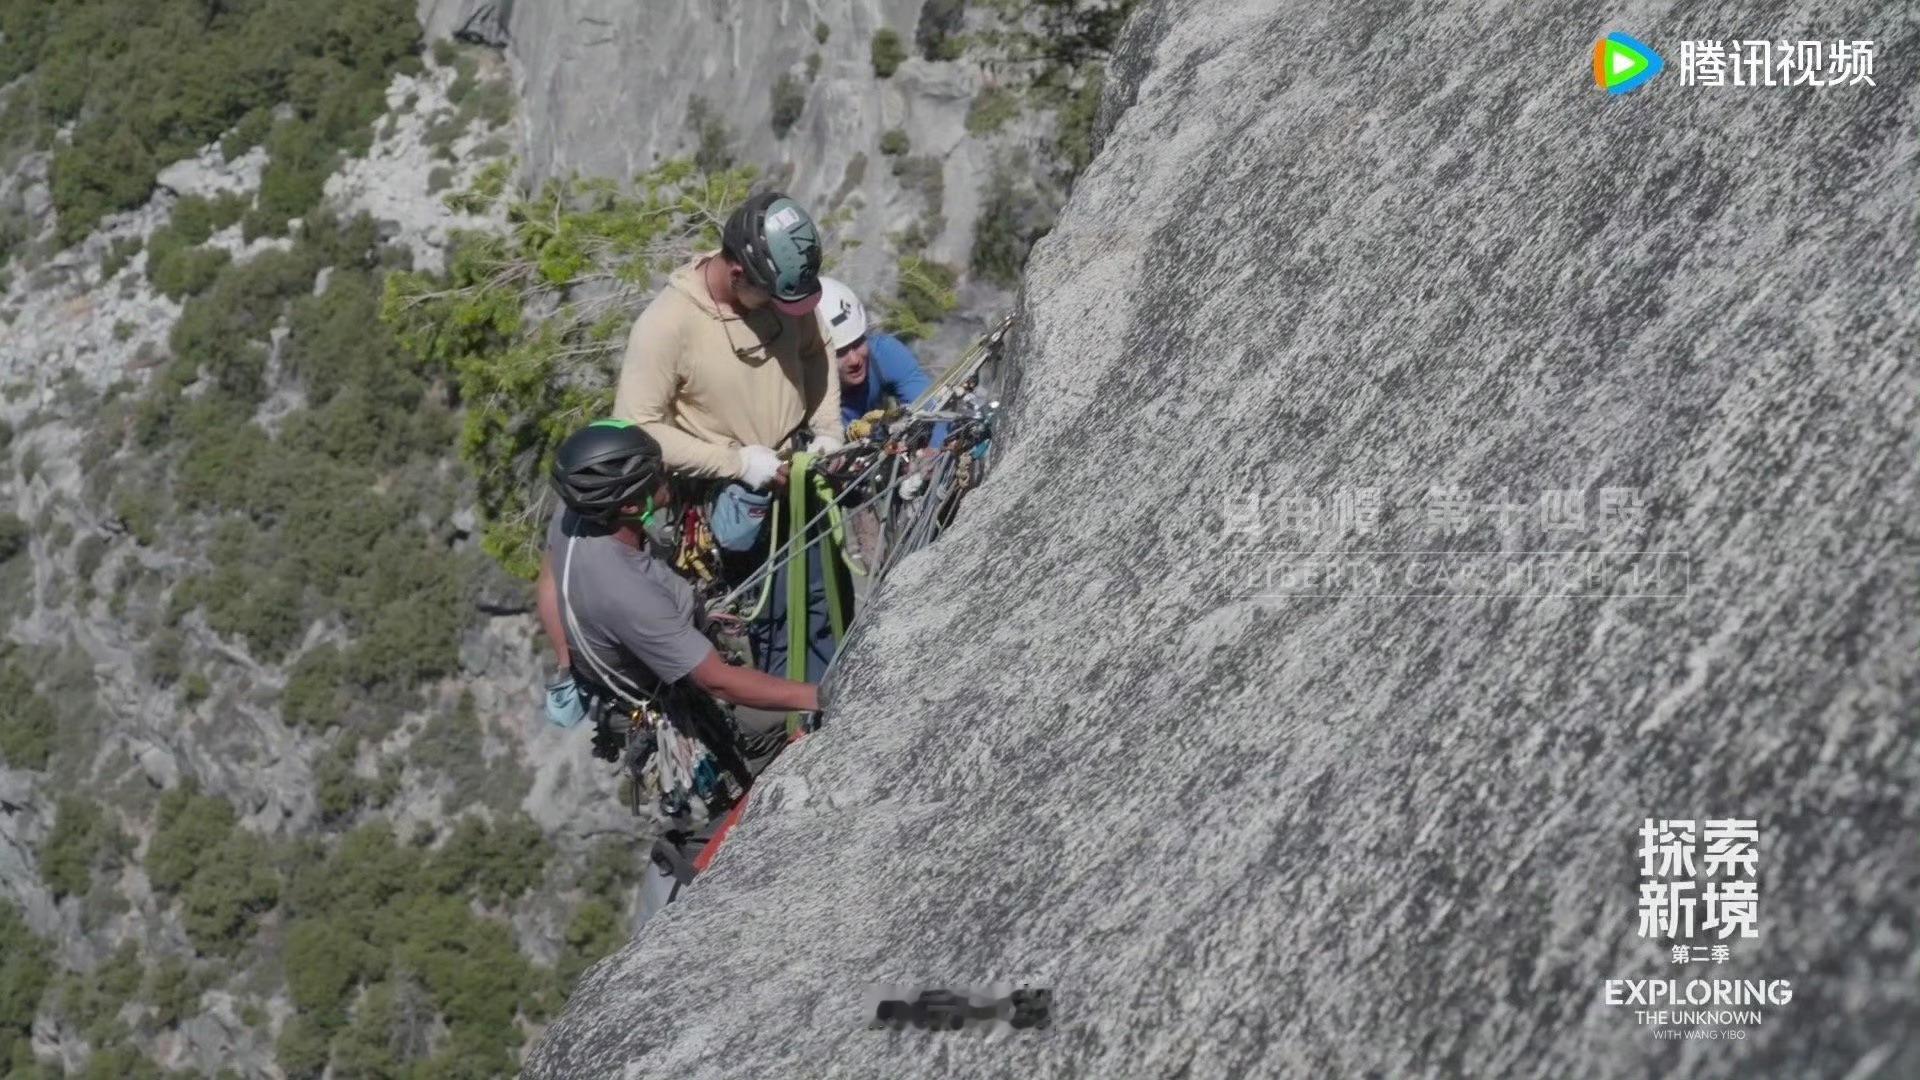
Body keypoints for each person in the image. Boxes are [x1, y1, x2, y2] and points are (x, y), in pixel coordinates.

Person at [536, 419, 823, 924]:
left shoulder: (575, 516)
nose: (666, 473)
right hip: (676, 710)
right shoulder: (624, 588)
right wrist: (822, 695)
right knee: (767, 744)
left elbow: (547, 581)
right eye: (654, 472)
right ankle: (707, 900)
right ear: (628, 505)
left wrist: (568, 660)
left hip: (637, 685)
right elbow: (716, 679)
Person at [613, 191, 842, 486]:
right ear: (737, 274)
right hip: (725, 493)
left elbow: (816, 347)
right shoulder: (666, 325)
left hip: (798, 472)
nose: (778, 307)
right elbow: (637, 428)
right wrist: (738, 465)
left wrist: (827, 430)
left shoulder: (778, 288)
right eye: (771, 297)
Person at [816, 275, 944, 445]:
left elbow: (932, 408)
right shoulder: (807, 397)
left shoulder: (883, 354)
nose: (854, 360)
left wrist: (932, 454)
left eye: (858, 342)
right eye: (840, 352)